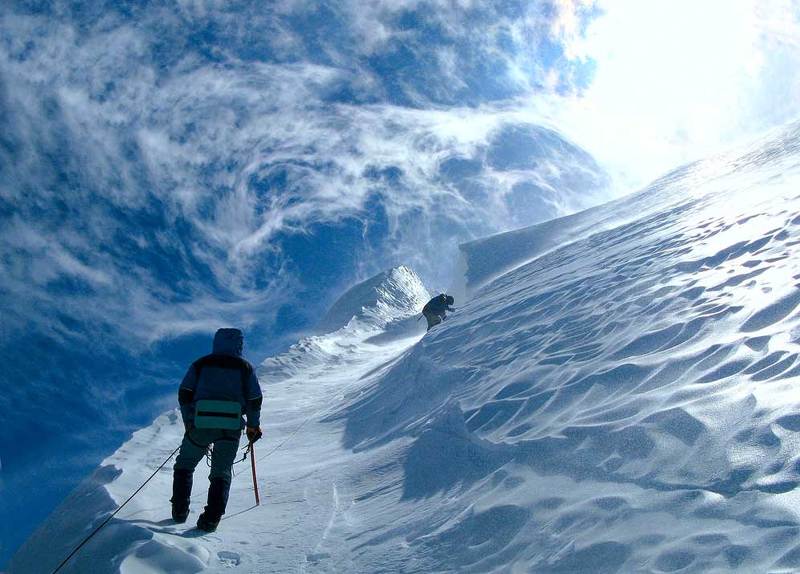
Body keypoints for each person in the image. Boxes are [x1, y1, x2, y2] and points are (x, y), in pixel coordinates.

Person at [170, 328, 263, 532]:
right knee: (221, 471)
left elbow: (185, 392)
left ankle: (179, 510)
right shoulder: (245, 367)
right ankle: (211, 519)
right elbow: (255, 399)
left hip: (200, 423)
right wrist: (253, 425)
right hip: (230, 427)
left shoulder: (201, 364)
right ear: (239, 344)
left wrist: (189, 420)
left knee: (185, 464)